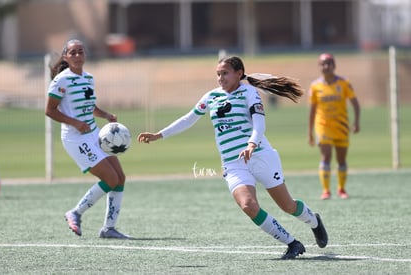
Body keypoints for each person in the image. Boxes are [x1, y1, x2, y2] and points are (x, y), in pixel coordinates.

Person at [137, 56, 328, 260]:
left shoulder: (249, 92)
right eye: (218, 74)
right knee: (248, 205)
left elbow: (259, 124)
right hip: (233, 163)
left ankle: (314, 222)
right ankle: (292, 243)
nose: (220, 78)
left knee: (287, 205)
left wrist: (252, 143)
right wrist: (159, 134)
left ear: (239, 73)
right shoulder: (211, 96)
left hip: (260, 155)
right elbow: (188, 119)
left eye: (225, 73)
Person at [45, 39, 131, 239]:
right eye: (72, 52)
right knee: (109, 179)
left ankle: (108, 228)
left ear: (85, 55)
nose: (77, 55)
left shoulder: (88, 78)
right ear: (66, 57)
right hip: (75, 138)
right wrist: (75, 123)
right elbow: (50, 111)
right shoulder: (61, 81)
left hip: (94, 133)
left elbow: (89, 106)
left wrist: (106, 115)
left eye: (80, 51)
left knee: (120, 177)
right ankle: (75, 212)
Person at [308, 53, 361, 200]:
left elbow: (355, 104)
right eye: (322, 64)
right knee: (325, 157)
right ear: (319, 67)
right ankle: (326, 190)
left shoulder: (344, 83)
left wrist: (356, 122)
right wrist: (310, 132)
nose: (326, 66)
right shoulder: (315, 86)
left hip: (341, 126)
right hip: (323, 126)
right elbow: (312, 110)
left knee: (341, 159)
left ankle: (341, 189)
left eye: (328, 63)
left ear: (334, 65)